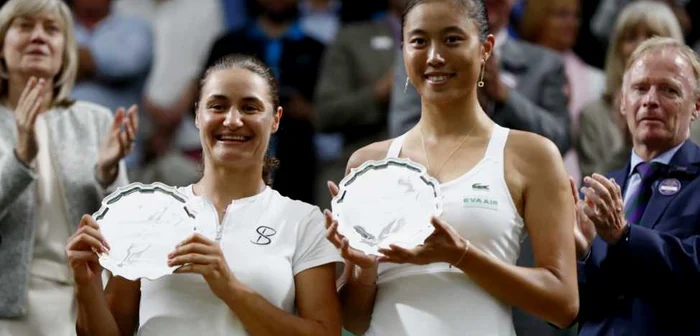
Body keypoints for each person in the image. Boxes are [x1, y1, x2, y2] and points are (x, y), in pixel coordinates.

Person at [323, 0, 579, 335]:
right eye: (418, 41)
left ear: (486, 49)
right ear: (403, 51)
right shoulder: (368, 164)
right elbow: (354, 321)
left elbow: (563, 305)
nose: (434, 56)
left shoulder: (532, 155)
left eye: (452, 39)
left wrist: (462, 256)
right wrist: (363, 268)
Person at [68, 54, 344, 336]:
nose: (233, 120)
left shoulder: (303, 220)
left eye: (250, 107)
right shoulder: (147, 212)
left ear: (275, 119)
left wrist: (229, 287)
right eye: (218, 106)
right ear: (198, 115)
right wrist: (87, 287)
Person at [0, 0, 135, 335]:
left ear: (65, 49)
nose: (39, 37)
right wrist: (21, 156)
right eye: (24, 26)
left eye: (51, 29)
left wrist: (108, 174)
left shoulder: (95, 120)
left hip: (84, 307)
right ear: (1, 46)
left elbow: (127, 228)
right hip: (8, 311)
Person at [573, 37, 700, 336]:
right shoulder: (598, 191)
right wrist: (581, 256)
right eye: (640, 88)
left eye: (669, 90)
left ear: (695, 107)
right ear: (622, 101)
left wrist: (624, 236)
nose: (650, 100)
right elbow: (566, 313)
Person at [388, 0, 571, 156]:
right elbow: (402, 132)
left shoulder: (545, 63)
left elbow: (559, 141)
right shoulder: (421, 56)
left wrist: (504, 95)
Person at [576, 1, 686, 180]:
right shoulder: (592, 116)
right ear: (617, 48)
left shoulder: (694, 115)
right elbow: (592, 192)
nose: (640, 46)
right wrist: (630, 144)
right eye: (630, 37)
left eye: (653, 36)